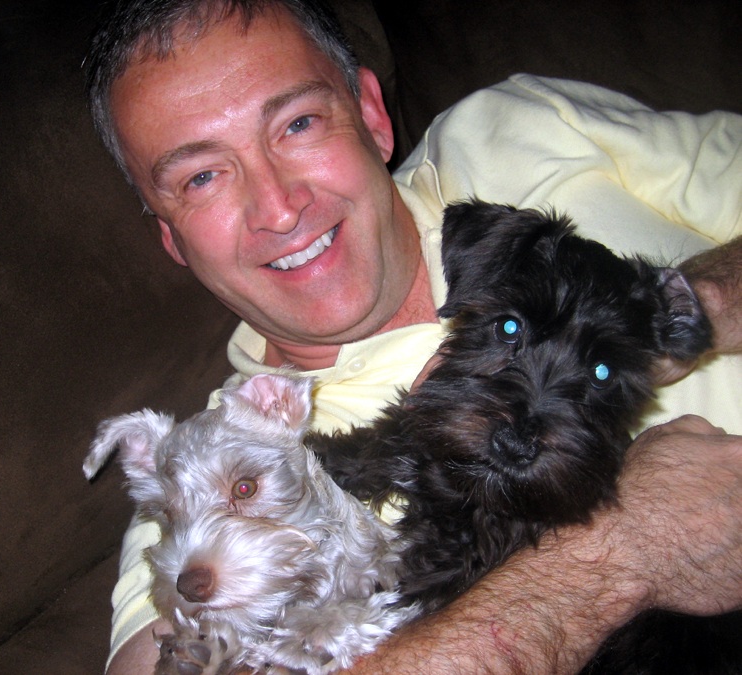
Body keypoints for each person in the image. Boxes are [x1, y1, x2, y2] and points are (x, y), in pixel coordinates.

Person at [83, 0, 742, 672]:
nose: (278, 209)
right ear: (172, 238)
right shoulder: (206, 470)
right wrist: (623, 554)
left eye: (298, 123)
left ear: (372, 114)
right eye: (201, 177)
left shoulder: (515, 127)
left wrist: (691, 312)